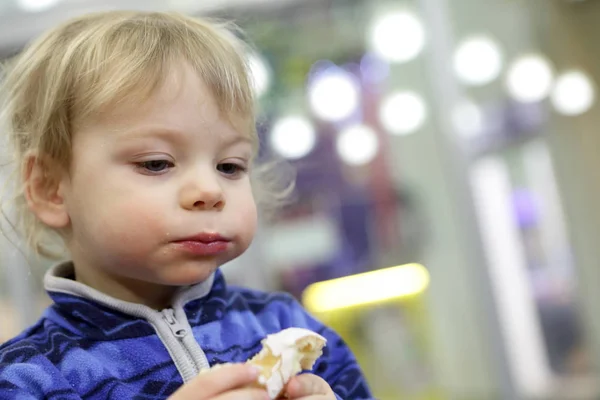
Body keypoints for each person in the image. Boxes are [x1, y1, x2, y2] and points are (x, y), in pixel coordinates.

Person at [0, 10, 373, 400]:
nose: (210, 190)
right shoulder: (30, 379)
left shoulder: (286, 323)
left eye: (229, 166)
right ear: (50, 189)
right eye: (157, 163)